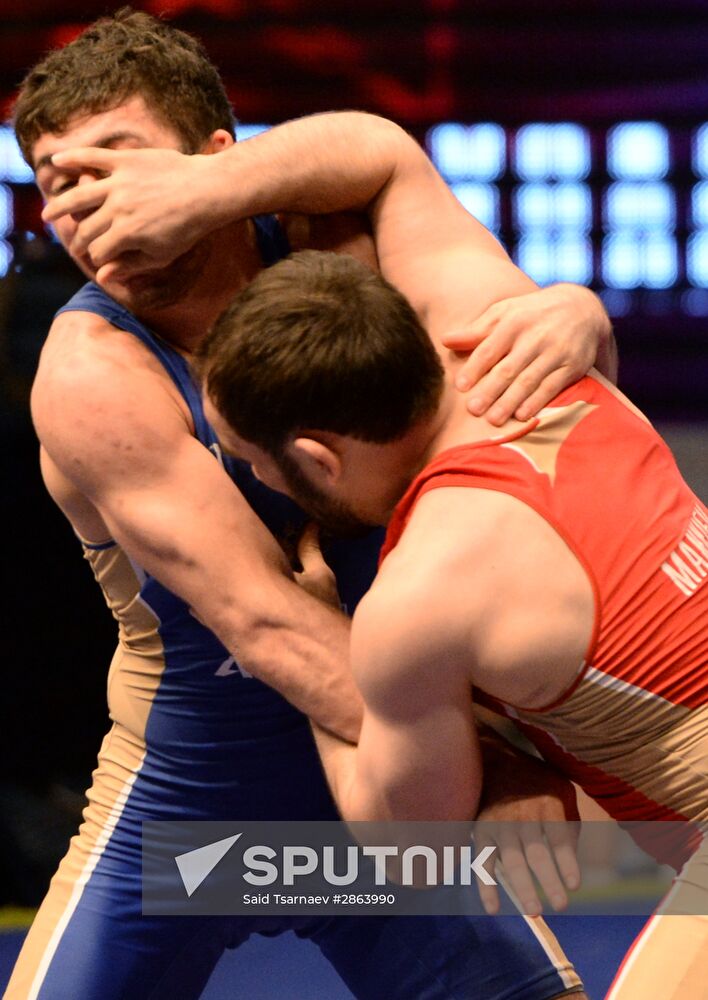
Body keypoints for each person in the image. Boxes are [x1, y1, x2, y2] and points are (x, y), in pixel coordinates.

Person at [6, 10, 615, 999]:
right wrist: (492, 764)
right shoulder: (92, 372)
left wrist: (576, 311)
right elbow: (265, 620)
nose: (84, 203)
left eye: (115, 161)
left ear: (215, 163)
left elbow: (383, 152)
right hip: (194, 809)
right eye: (56, 183)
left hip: (384, 784)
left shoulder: (338, 247)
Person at [193, 193, 708, 997]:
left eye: (252, 460)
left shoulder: (419, 597)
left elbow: (408, 847)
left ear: (317, 461)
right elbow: (385, 157)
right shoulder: (544, 358)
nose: (256, 483)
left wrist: (320, 627)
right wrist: (579, 306)